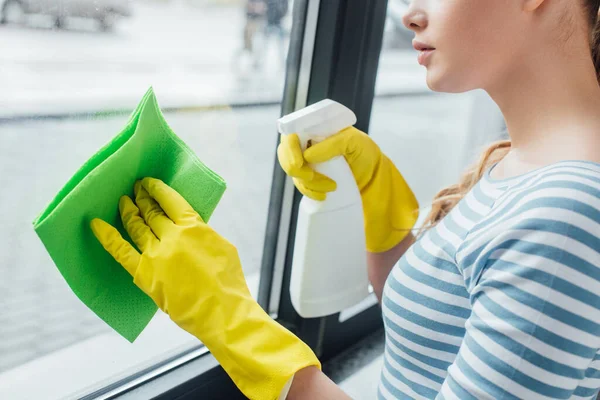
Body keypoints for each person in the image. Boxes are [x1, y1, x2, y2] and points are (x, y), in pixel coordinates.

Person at [91, 0, 600, 399]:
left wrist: (233, 323)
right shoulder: (528, 167)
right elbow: (441, 337)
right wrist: (374, 195)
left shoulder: (566, 213)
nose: (410, 13)